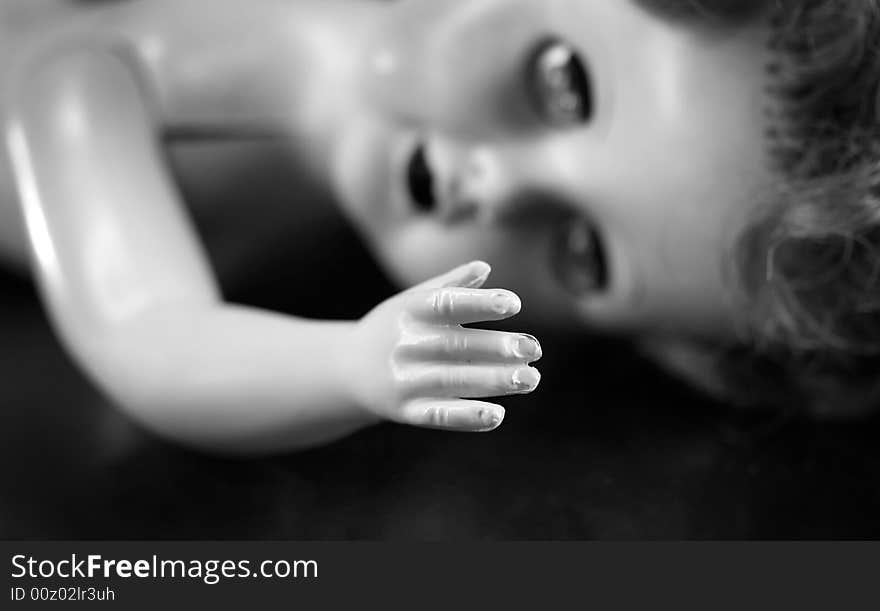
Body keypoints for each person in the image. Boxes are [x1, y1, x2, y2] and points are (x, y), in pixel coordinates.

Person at [0, 0, 876, 454]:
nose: (495, 189)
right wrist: (344, 365)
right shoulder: (145, 64)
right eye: (561, 82)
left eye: (582, 252)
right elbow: (145, 328)